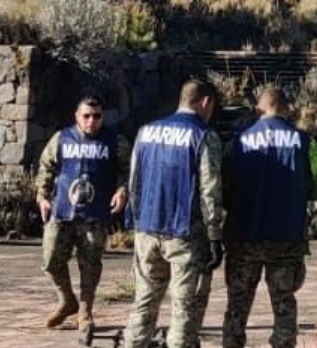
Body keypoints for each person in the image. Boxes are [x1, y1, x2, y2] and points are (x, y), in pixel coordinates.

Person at [223, 84, 317, 348]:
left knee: (237, 304)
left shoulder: (238, 143)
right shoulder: (305, 142)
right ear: (286, 108)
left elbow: (223, 189)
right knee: (284, 304)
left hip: (244, 236)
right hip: (287, 238)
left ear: (259, 108)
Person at [124, 78, 226, 348]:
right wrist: (215, 235)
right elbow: (210, 190)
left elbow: (134, 181)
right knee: (185, 308)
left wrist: (135, 222)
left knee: (144, 302)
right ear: (205, 102)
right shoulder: (204, 136)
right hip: (185, 233)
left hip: (147, 228)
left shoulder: (146, 132)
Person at [34, 94, 130, 330]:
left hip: (95, 214)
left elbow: (129, 170)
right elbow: (46, 166)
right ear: (77, 116)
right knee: (51, 259)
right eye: (86, 116)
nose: (91, 121)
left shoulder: (114, 141)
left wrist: (122, 190)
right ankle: (67, 299)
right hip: (63, 210)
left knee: (90, 264)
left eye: (96, 116)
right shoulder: (62, 139)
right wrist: (42, 196)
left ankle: (85, 311)